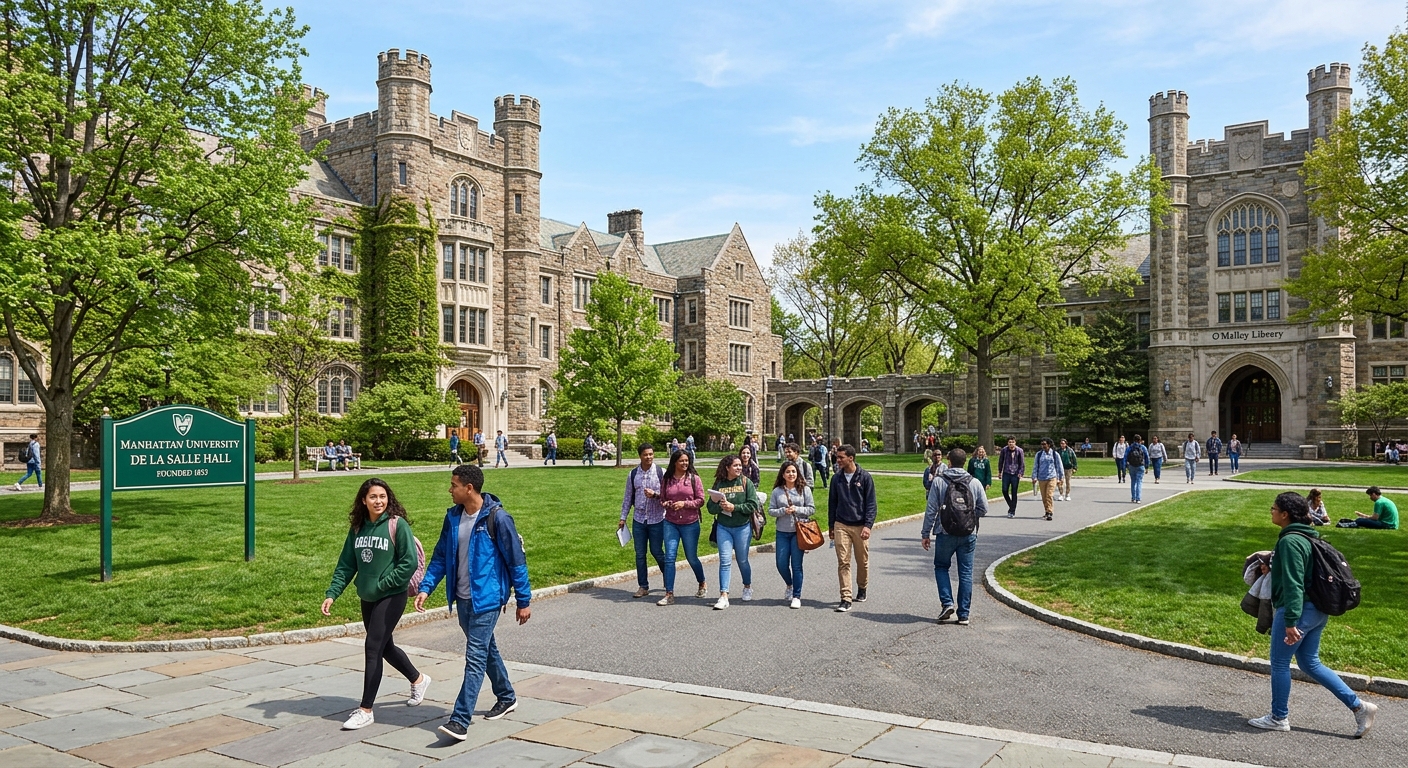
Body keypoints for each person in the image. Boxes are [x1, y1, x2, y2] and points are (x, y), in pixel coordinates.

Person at [414, 464, 532, 741]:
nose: (449, 489)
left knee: (475, 657)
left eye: (453, 485)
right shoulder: (453, 517)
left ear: (469, 488)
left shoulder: (498, 519)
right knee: (486, 649)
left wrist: (523, 600)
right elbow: (441, 556)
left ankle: (459, 720)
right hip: (463, 598)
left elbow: (517, 562)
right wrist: (426, 587)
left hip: (487, 600)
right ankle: (506, 695)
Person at [1247, 492, 1378, 737]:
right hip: (1317, 610)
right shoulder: (1306, 536)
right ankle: (1360, 707)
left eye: (1274, 508)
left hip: (1298, 611)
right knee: (1309, 662)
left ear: (1285, 514)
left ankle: (1278, 717)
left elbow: (1294, 583)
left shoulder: (1289, 541)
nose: (1271, 511)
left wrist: (1290, 621)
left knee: (1279, 663)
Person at [322, 479, 429, 730]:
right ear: (363, 500)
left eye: (382, 496)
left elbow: (408, 563)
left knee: (372, 647)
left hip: (391, 595)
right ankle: (418, 679)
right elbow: (346, 564)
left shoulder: (397, 525)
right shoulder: (358, 528)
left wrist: (384, 585)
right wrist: (332, 593)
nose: (378, 501)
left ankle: (366, 710)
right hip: (367, 596)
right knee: (384, 646)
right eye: (373, 497)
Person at [921, 448, 989, 626]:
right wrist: (970, 516)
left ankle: (947, 603)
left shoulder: (939, 481)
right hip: (968, 533)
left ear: (949, 461)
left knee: (941, 566)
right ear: (965, 462)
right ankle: (964, 614)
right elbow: (984, 508)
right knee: (965, 572)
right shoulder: (974, 482)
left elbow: (931, 510)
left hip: (945, 531)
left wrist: (925, 533)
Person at [706, 454, 759, 609]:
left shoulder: (745, 482)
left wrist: (734, 507)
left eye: (739, 465)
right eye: (735, 465)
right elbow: (710, 508)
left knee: (742, 560)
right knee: (725, 561)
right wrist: (721, 507)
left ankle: (747, 586)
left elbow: (753, 505)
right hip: (723, 528)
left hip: (742, 527)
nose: (738, 468)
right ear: (727, 468)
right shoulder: (719, 484)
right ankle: (723, 595)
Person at [828, 444, 876, 612]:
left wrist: (868, 526)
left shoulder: (865, 478)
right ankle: (846, 597)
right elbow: (832, 503)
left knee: (862, 561)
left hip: (860, 525)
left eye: (841, 457)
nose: (838, 460)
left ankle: (862, 587)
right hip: (841, 524)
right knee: (843, 562)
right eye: (837, 457)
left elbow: (871, 504)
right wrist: (831, 526)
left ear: (851, 458)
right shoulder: (836, 479)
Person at [619, 443, 667, 599]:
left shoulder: (661, 473)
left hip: (657, 519)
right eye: (646, 454)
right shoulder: (633, 475)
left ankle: (668, 580)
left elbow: (667, 496)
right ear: (640, 456)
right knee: (640, 554)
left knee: (657, 551)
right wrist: (623, 517)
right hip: (639, 519)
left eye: (651, 454)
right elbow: (627, 498)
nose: (649, 457)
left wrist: (655, 495)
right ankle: (643, 586)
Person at [658, 448, 706, 605]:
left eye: (687, 460)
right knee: (670, 557)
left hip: (690, 523)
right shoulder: (667, 479)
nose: (685, 463)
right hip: (670, 522)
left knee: (691, 557)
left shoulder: (694, 479)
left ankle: (702, 582)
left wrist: (684, 504)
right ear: (675, 462)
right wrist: (665, 503)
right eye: (681, 461)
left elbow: (701, 500)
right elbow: (662, 499)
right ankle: (669, 593)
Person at [770, 459, 815, 609]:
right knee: (781, 563)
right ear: (783, 474)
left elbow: (811, 509)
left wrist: (797, 509)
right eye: (788, 471)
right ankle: (789, 584)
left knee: (796, 565)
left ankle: (797, 595)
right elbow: (771, 511)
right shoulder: (777, 491)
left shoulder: (804, 490)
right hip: (782, 532)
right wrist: (783, 511)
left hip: (799, 532)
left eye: (794, 471)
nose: (791, 474)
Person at [1032, 438, 1061, 521]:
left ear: (1049, 444)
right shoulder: (1039, 454)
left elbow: (1059, 466)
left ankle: (1049, 512)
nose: (1043, 446)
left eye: (1044, 444)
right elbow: (1035, 466)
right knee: (1044, 496)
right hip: (1042, 477)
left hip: (1052, 477)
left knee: (1049, 495)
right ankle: (1046, 510)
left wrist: (1060, 478)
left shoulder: (1055, 454)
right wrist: (1034, 477)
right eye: (1042, 444)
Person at [998, 437, 1025, 518]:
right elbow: (1001, 461)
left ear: (1015, 443)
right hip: (1006, 472)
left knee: (1014, 492)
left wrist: (1021, 472)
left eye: (1012, 442)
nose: (1011, 444)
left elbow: (1022, 463)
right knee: (1004, 490)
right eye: (1009, 442)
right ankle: (1011, 505)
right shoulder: (1004, 450)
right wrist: (1000, 472)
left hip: (1015, 474)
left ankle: (1012, 511)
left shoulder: (1019, 451)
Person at [1126, 435, 1150, 503]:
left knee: (1133, 481)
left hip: (1132, 465)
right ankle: (1138, 498)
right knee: (1139, 481)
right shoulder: (1142, 447)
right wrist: (1147, 466)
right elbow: (1147, 457)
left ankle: (1133, 498)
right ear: (1140, 440)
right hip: (1140, 465)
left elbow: (1125, 456)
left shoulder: (1130, 447)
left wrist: (1126, 466)